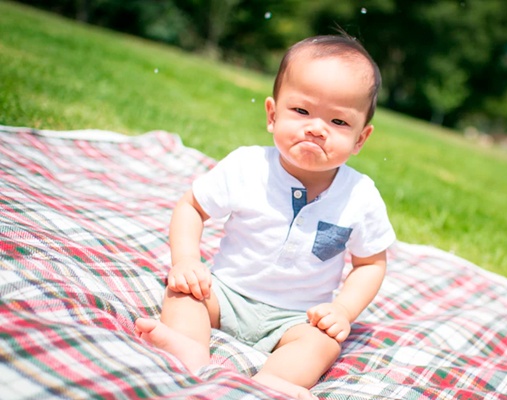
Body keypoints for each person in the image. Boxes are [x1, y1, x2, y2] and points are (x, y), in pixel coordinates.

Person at [135, 34, 396, 399]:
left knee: (322, 344)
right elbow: (191, 207)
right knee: (183, 292)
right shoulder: (248, 166)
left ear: (360, 139)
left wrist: (341, 310)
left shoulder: (360, 196)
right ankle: (188, 348)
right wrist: (187, 260)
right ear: (273, 115)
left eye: (338, 121)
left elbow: (370, 263)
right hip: (223, 292)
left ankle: (277, 380)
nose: (316, 128)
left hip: (297, 317)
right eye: (301, 111)